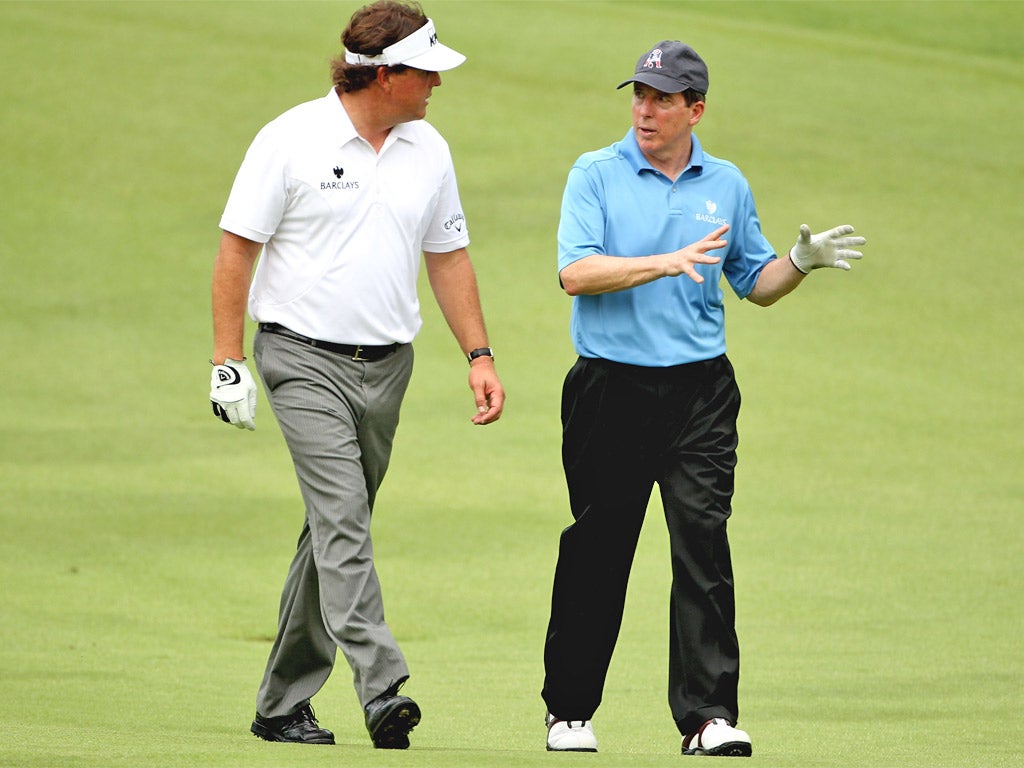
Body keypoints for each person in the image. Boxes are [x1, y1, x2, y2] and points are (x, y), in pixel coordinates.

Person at [540, 40, 865, 757]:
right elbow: (576, 273)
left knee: (703, 546)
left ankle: (708, 716)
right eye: (639, 95)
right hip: (609, 388)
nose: (645, 110)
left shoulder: (727, 183)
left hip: (700, 393)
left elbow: (754, 284)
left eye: (662, 99)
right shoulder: (595, 173)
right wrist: (665, 262)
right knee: (600, 547)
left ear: (697, 109)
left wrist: (800, 265)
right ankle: (569, 709)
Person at [208, 0, 504, 750]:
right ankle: (382, 686)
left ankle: (281, 704)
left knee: (332, 532)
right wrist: (227, 360)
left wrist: (479, 355)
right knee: (343, 521)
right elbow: (238, 248)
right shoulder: (292, 139)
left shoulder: (428, 148)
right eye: (427, 73)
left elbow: (448, 255)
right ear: (387, 74)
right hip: (301, 359)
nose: (437, 85)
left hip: (388, 368)